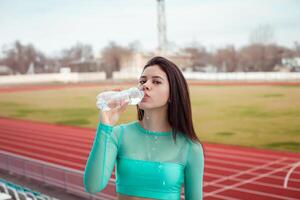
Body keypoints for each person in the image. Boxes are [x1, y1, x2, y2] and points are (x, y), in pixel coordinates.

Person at [84, 56, 205, 200]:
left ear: (173, 93)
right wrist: (106, 126)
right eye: (142, 81)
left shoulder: (190, 147)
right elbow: (93, 186)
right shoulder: (118, 134)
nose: (145, 85)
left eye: (156, 81)